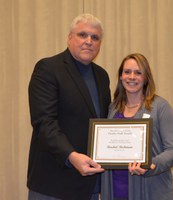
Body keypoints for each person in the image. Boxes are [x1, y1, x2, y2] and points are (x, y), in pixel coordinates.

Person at [27, 13, 111, 200]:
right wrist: (71, 156)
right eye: (83, 35)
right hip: (54, 184)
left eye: (95, 37)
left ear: (100, 44)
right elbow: (44, 123)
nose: (89, 41)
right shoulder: (48, 68)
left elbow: (105, 123)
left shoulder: (102, 76)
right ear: (70, 37)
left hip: (91, 184)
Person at [101, 53, 173, 200]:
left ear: (146, 78)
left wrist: (150, 165)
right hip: (115, 189)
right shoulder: (113, 108)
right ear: (120, 76)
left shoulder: (160, 107)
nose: (132, 77)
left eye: (138, 73)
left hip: (149, 190)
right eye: (127, 72)